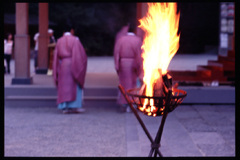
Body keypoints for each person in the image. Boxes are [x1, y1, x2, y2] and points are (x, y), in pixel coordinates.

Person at [53, 24, 87, 114]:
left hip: (63, 64)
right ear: (72, 31)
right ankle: (74, 106)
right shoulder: (75, 40)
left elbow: (56, 57)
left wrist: (56, 69)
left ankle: (64, 106)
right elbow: (80, 55)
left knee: (63, 86)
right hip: (73, 63)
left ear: (64, 32)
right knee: (74, 85)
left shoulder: (59, 41)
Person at [114, 23, 143, 112]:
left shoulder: (121, 39)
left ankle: (124, 103)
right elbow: (139, 55)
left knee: (124, 84)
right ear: (135, 31)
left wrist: (117, 66)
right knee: (133, 84)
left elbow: (116, 54)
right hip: (133, 63)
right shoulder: (137, 40)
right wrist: (139, 67)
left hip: (123, 63)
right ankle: (133, 103)